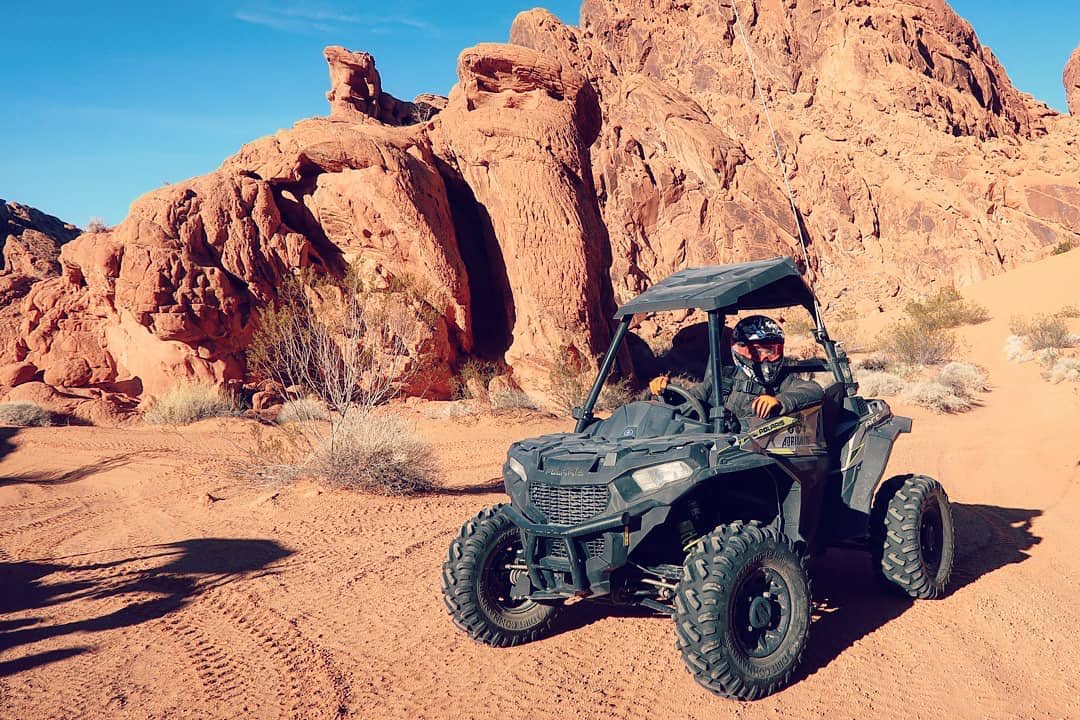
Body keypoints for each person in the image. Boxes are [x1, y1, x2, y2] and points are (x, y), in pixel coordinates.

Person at [649, 315, 822, 429]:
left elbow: (813, 390)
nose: (764, 358)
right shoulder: (723, 378)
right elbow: (693, 398)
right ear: (740, 351)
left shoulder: (782, 381)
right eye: (757, 352)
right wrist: (665, 391)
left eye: (770, 351)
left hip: (758, 457)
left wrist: (780, 400)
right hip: (716, 450)